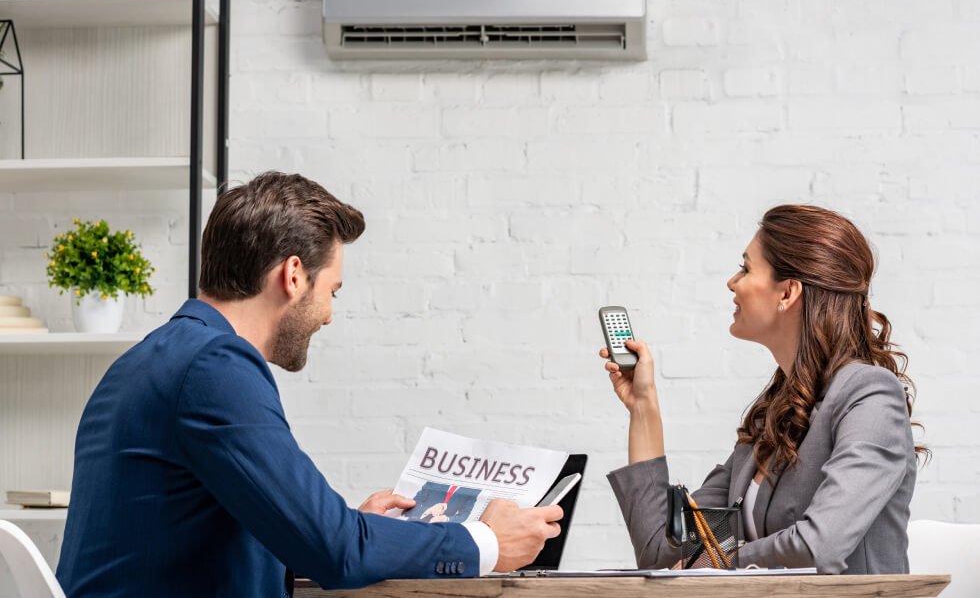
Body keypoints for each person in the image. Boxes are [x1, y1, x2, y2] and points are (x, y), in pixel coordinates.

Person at [56, 171, 562, 598]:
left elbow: (295, 537)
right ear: (293, 275)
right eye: (332, 291)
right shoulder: (215, 366)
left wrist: (351, 528)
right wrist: (486, 541)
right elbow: (336, 552)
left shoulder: (147, 361)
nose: (329, 316)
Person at [601, 205, 924, 575]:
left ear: (787, 292)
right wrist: (644, 407)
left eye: (746, 268)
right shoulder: (775, 414)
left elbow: (818, 547)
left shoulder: (870, 396)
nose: (732, 282)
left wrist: (713, 563)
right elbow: (661, 554)